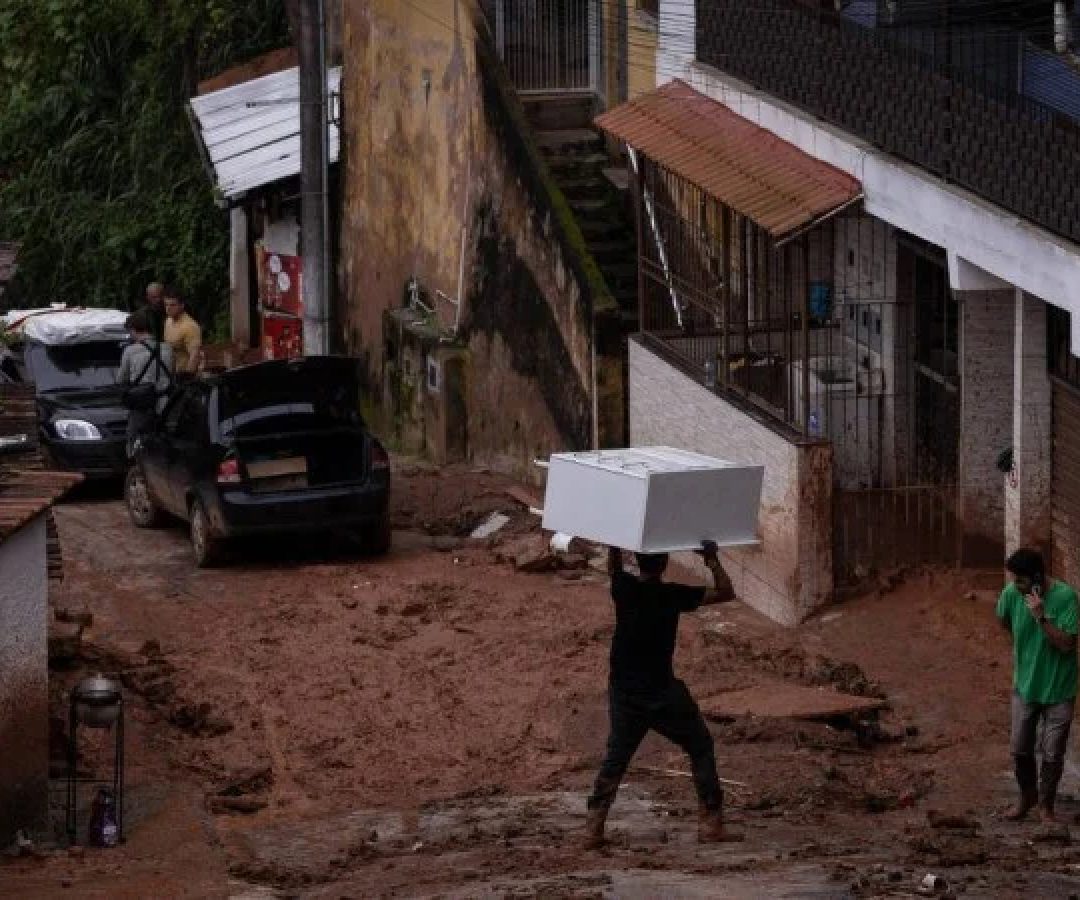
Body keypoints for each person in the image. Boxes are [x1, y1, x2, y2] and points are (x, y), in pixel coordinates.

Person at [585, 540, 742, 848]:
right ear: (664, 565)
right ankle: (710, 823)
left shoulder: (624, 590)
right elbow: (726, 592)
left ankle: (593, 828)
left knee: (616, 758)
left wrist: (618, 544)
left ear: (638, 563)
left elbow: (613, 568)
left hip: (625, 693)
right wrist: (711, 560)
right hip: (662, 691)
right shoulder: (671, 595)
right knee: (700, 747)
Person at [997, 547, 1078, 823]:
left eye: (1019, 580)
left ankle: (1046, 806)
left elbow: (1067, 644)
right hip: (1025, 685)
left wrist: (1041, 617)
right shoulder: (1011, 595)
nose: (1014, 586)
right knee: (1020, 748)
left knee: (1053, 752)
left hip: (1059, 688)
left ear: (1036, 578)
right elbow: (1003, 620)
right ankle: (1027, 796)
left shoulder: (1066, 597)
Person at [119, 309, 174, 456]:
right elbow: (171, 373)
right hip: (165, 403)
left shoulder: (130, 351)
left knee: (134, 441)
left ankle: (139, 472)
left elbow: (121, 379)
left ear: (133, 330)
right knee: (164, 440)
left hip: (141, 405)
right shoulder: (167, 348)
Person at [163, 289, 202, 378]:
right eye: (166, 304)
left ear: (182, 305)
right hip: (171, 374)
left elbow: (194, 356)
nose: (168, 308)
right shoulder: (168, 320)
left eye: (172, 305)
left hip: (185, 375)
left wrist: (186, 379)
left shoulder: (189, 326)